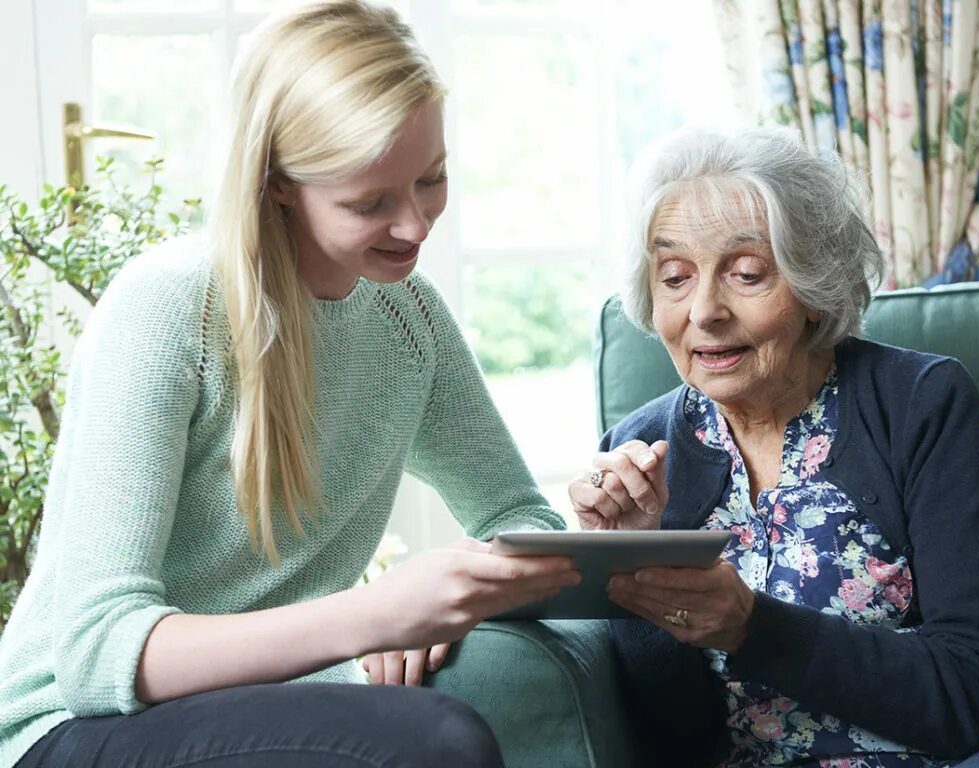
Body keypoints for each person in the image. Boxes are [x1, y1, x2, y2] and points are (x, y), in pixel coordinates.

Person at [0, 3, 581, 766]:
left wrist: (456, 602)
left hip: (260, 710)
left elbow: (519, 517)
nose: (416, 225)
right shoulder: (169, 309)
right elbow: (96, 655)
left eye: (432, 180)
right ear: (277, 183)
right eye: (370, 202)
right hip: (69, 730)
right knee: (437, 741)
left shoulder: (409, 322)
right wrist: (378, 615)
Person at [569, 127, 979, 768]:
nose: (704, 310)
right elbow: (676, 739)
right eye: (674, 277)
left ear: (815, 287)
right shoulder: (639, 448)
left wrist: (754, 626)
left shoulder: (920, 403)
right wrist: (627, 569)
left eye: (746, 273)